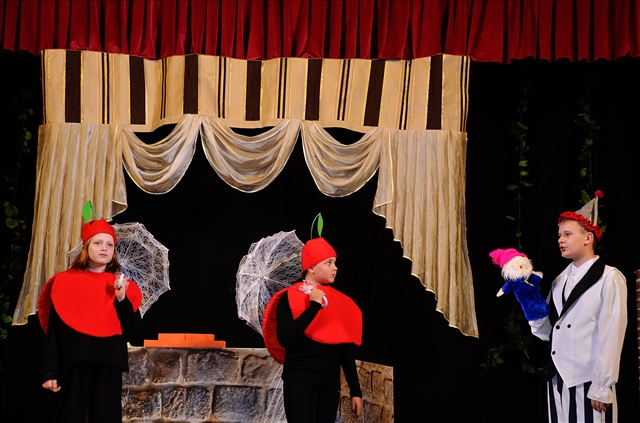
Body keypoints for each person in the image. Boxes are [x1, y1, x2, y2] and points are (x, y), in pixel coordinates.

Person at [527, 193, 627, 423]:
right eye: (559, 235)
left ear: (588, 237)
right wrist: (531, 306)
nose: (560, 240)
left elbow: (612, 333)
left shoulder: (609, 277)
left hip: (589, 381)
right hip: (558, 380)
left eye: (567, 234)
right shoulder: (559, 281)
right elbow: (549, 332)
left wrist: (602, 386)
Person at [38, 217, 143, 423]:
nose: (104, 248)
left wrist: (122, 299)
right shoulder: (66, 281)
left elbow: (133, 332)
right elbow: (55, 331)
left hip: (109, 363)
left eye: (110, 244)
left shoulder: (123, 285)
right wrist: (49, 372)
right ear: (86, 247)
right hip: (76, 360)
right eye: (98, 242)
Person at [262, 237, 363, 423]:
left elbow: (345, 350)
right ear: (311, 268)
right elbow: (285, 337)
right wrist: (313, 308)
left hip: (329, 382)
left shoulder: (341, 303)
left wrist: (356, 391)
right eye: (328, 263)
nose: (335, 268)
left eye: (335, 263)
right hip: (300, 379)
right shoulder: (289, 297)